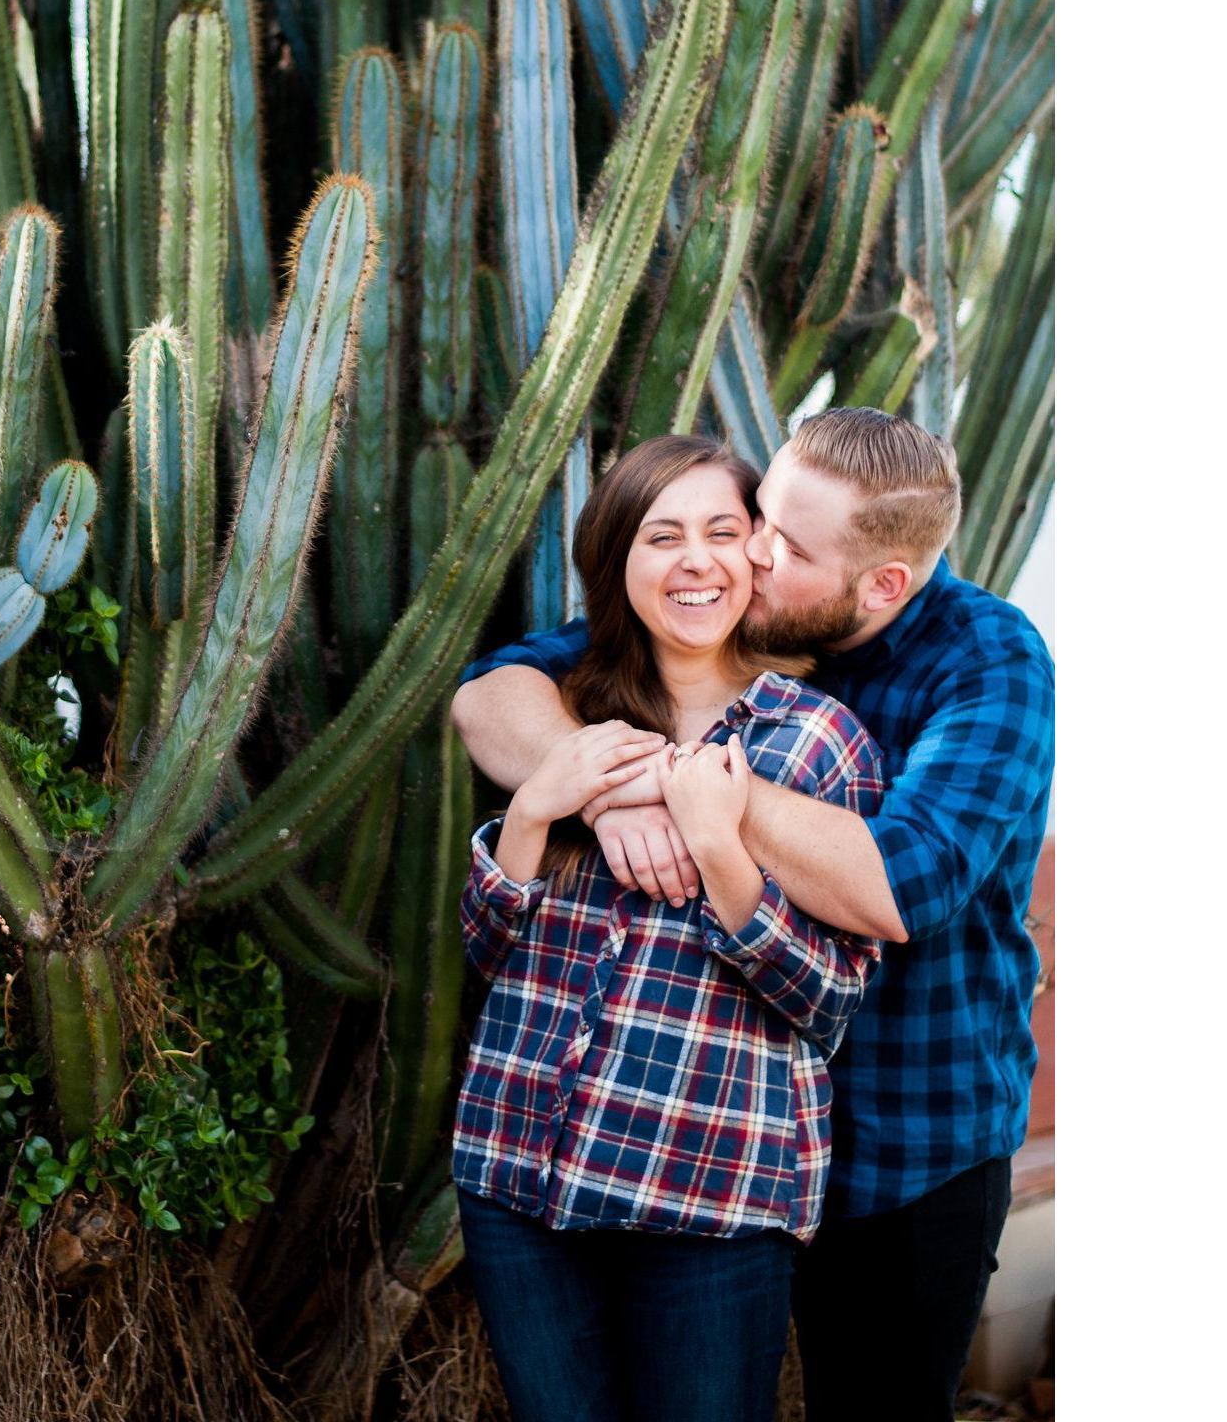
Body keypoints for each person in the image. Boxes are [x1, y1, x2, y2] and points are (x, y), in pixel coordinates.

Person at [452, 408, 1056, 1422]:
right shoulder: (729, 618)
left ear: (882, 586)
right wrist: (612, 788)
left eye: (788, 546)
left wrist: (703, 792)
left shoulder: (987, 661)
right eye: (759, 517)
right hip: (702, 1129)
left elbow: (898, 886)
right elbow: (491, 693)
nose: (753, 555)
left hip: (905, 1136)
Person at [452, 434, 886, 1422]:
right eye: (662, 536)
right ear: (617, 558)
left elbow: (828, 1003)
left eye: (722, 532)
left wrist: (719, 844)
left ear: (756, 553)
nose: (696, 561)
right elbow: (490, 952)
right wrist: (537, 808)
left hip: (707, 1192)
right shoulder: (567, 713)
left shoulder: (819, 743)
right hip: (519, 1172)